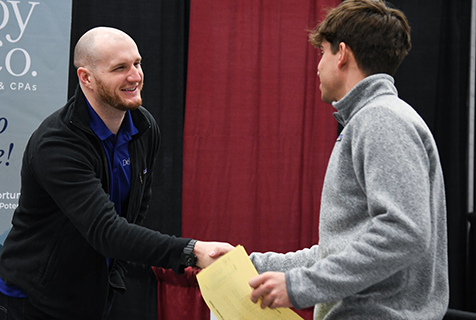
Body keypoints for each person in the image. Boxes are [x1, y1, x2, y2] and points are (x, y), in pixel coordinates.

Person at [0, 26, 233, 320]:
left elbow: (136, 208)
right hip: (32, 301)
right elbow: (106, 230)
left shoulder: (144, 127)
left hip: (93, 298)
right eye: (119, 68)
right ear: (86, 77)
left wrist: (113, 273)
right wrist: (191, 251)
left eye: (137, 63)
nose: (135, 76)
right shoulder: (57, 143)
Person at [247, 1, 449, 319]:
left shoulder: (380, 119)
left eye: (323, 53)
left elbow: (404, 233)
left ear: (342, 53)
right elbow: (340, 251)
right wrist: (248, 264)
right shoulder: (372, 119)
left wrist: (299, 286)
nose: (317, 66)